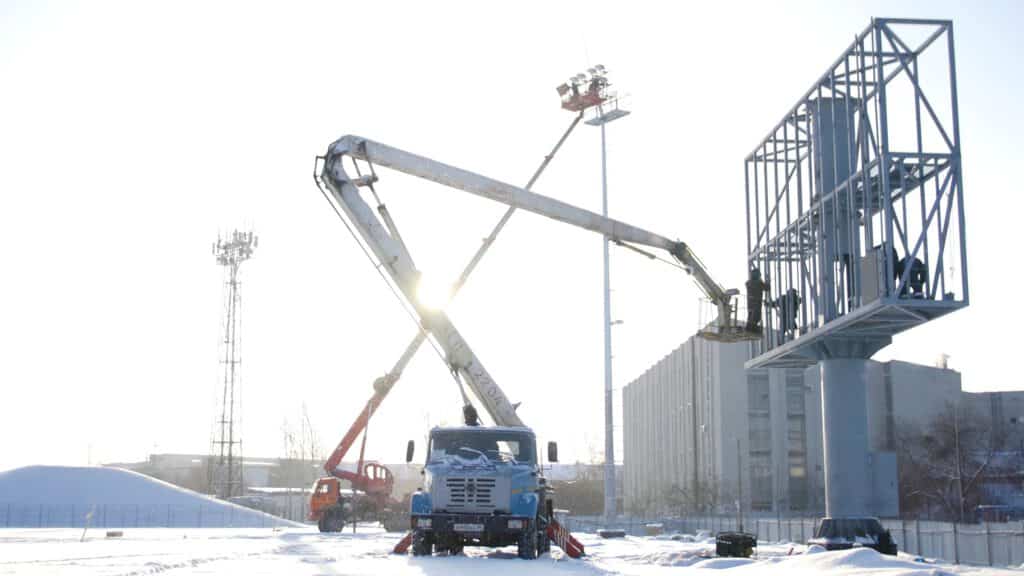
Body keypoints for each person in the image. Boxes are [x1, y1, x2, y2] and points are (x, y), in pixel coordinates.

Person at [745, 268, 767, 333]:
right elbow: (767, 288)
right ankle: (753, 329)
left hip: (750, 302)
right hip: (756, 302)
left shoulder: (748, 283)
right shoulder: (759, 283)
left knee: (750, 316)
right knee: (756, 316)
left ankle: (749, 328)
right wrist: (764, 281)